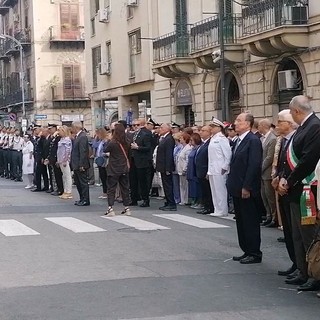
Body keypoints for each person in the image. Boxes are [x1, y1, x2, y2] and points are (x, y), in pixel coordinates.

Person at [278, 96, 320, 292]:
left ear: (295, 111)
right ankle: (302, 270)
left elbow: (308, 159)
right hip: (295, 189)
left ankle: (313, 273)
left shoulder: (314, 126)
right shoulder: (304, 127)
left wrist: (291, 179)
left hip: (306, 189)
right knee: (297, 234)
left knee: (308, 234)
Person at [227, 113, 263, 264]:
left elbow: (253, 165)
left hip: (246, 188)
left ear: (248, 124)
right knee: (241, 221)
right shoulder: (239, 140)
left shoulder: (252, 140)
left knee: (250, 221)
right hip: (236, 186)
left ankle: (254, 252)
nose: (235, 123)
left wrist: (247, 186)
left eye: (239, 121)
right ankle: (246, 250)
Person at [271, 109, 298, 278]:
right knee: (288, 230)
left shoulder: (295, 140)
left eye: (280, 121)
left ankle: (300, 264)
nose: (278, 124)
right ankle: (295, 263)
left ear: (289, 124)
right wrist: (277, 177)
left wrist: (285, 180)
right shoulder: (282, 141)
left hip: (291, 189)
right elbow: (281, 163)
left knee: (295, 232)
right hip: (281, 187)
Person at [104, 123, 131, 216]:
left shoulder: (112, 142)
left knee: (111, 188)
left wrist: (108, 139)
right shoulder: (127, 141)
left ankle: (110, 208)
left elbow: (105, 150)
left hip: (114, 168)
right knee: (125, 188)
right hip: (124, 167)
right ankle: (126, 207)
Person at [207, 119, 232, 217]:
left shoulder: (222, 139)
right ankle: (217, 209)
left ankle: (222, 210)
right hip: (212, 168)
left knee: (220, 190)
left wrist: (225, 167)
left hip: (220, 168)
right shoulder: (213, 138)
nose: (211, 128)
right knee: (214, 190)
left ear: (219, 128)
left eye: (213, 127)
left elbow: (228, 154)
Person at [129, 118, 152, 207]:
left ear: (141, 125)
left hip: (142, 161)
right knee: (133, 181)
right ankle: (134, 199)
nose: (135, 127)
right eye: (133, 125)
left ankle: (145, 200)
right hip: (133, 160)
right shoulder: (132, 135)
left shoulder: (145, 134)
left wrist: (138, 148)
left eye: (137, 125)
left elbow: (148, 147)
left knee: (143, 182)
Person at [258, 119, 277, 227]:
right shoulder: (262, 139)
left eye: (260, 125)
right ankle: (268, 215)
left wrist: (260, 168)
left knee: (270, 197)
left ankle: (274, 217)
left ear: (263, 126)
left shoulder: (272, 139)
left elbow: (269, 157)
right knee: (264, 196)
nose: (258, 127)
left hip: (267, 172)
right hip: (261, 173)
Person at [156, 123, 176, 211]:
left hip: (166, 166)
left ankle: (171, 203)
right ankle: (168, 201)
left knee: (168, 185)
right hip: (162, 166)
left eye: (161, 128)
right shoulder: (164, 138)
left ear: (167, 129)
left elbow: (169, 154)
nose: (160, 129)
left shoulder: (169, 139)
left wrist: (168, 168)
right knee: (165, 185)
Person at [195, 125, 214, 215]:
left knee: (207, 191)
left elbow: (210, 158)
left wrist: (208, 170)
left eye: (203, 130)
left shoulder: (210, 143)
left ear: (209, 132)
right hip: (200, 170)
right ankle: (206, 205)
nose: (201, 132)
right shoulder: (203, 143)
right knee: (204, 190)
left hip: (205, 170)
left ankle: (209, 207)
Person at [71, 121, 90, 206]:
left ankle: (85, 199)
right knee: (78, 182)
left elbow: (83, 151)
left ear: (76, 127)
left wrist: (81, 164)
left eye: (72, 127)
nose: (72, 129)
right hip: (76, 164)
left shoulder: (82, 137)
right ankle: (82, 198)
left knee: (83, 183)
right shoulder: (77, 136)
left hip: (80, 164)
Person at [57, 126, 73, 200]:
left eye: (60, 131)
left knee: (67, 175)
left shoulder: (67, 140)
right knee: (64, 176)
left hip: (65, 160)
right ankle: (65, 190)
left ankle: (69, 191)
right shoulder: (62, 139)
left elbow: (68, 151)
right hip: (60, 159)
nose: (58, 132)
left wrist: (65, 159)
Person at [176, 132, 192, 205]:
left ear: (185, 139)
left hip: (183, 169)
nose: (180, 139)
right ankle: (183, 200)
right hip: (179, 168)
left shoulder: (188, 148)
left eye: (182, 138)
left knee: (185, 186)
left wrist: (185, 169)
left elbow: (187, 160)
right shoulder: (182, 147)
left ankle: (185, 200)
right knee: (181, 185)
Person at [187, 133, 202, 209]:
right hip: (190, 169)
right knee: (192, 187)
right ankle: (194, 200)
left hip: (194, 170)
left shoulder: (198, 148)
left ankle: (198, 201)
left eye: (192, 140)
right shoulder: (192, 149)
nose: (190, 142)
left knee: (197, 187)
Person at [95, 127, 110, 199]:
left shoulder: (106, 142)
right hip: (100, 160)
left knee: (105, 176)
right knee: (102, 176)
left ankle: (106, 192)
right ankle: (104, 192)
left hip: (104, 160)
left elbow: (105, 150)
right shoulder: (100, 141)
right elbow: (94, 145)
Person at [172, 132, 183, 204]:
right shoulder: (175, 147)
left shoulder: (181, 147)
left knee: (180, 184)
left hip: (179, 167)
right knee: (175, 184)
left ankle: (180, 198)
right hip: (174, 167)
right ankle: (176, 197)